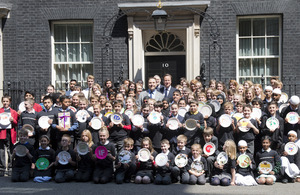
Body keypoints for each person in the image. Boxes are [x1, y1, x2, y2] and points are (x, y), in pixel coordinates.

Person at [0, 95, 18, 176]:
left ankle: (10, 168)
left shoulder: (13, 112)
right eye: (4, 101)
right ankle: (2, 168)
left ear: (10, 102)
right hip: (2, 133)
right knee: (1, 151)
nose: (5, 103)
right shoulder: (0, 111)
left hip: (10, 133)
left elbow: (16, 123)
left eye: (7, 101)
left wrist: (12, 120)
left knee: (10, 151)